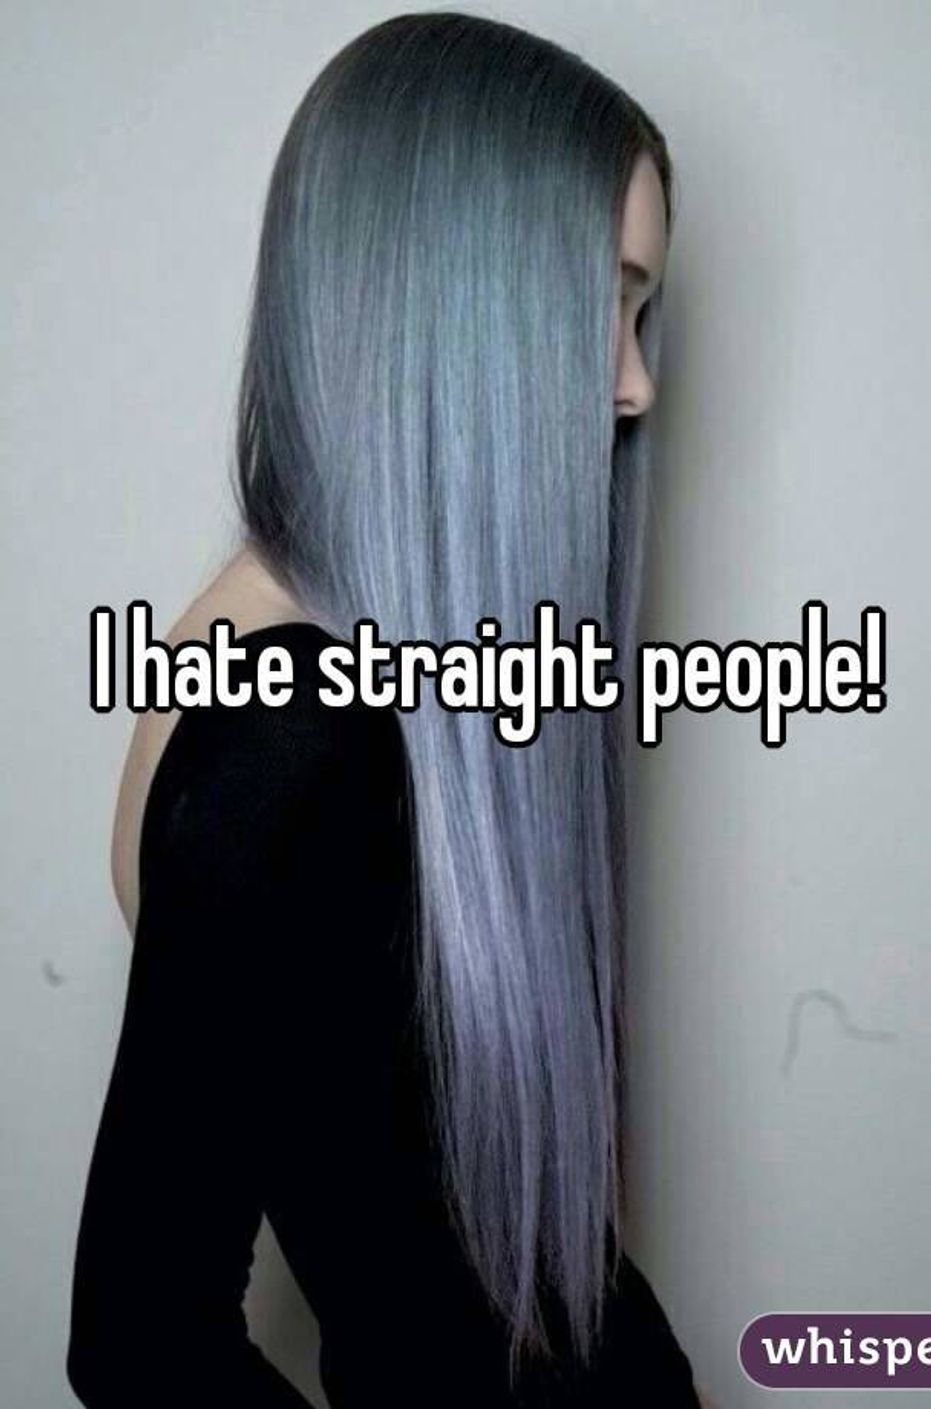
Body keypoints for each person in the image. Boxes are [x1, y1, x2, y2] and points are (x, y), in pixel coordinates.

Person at [66, 12, 709, 1407]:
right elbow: (140, 1339)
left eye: (642, 314)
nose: (637, 383)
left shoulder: (314, 662)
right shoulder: (298, 729)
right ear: (444, 308)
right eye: (601, 303)